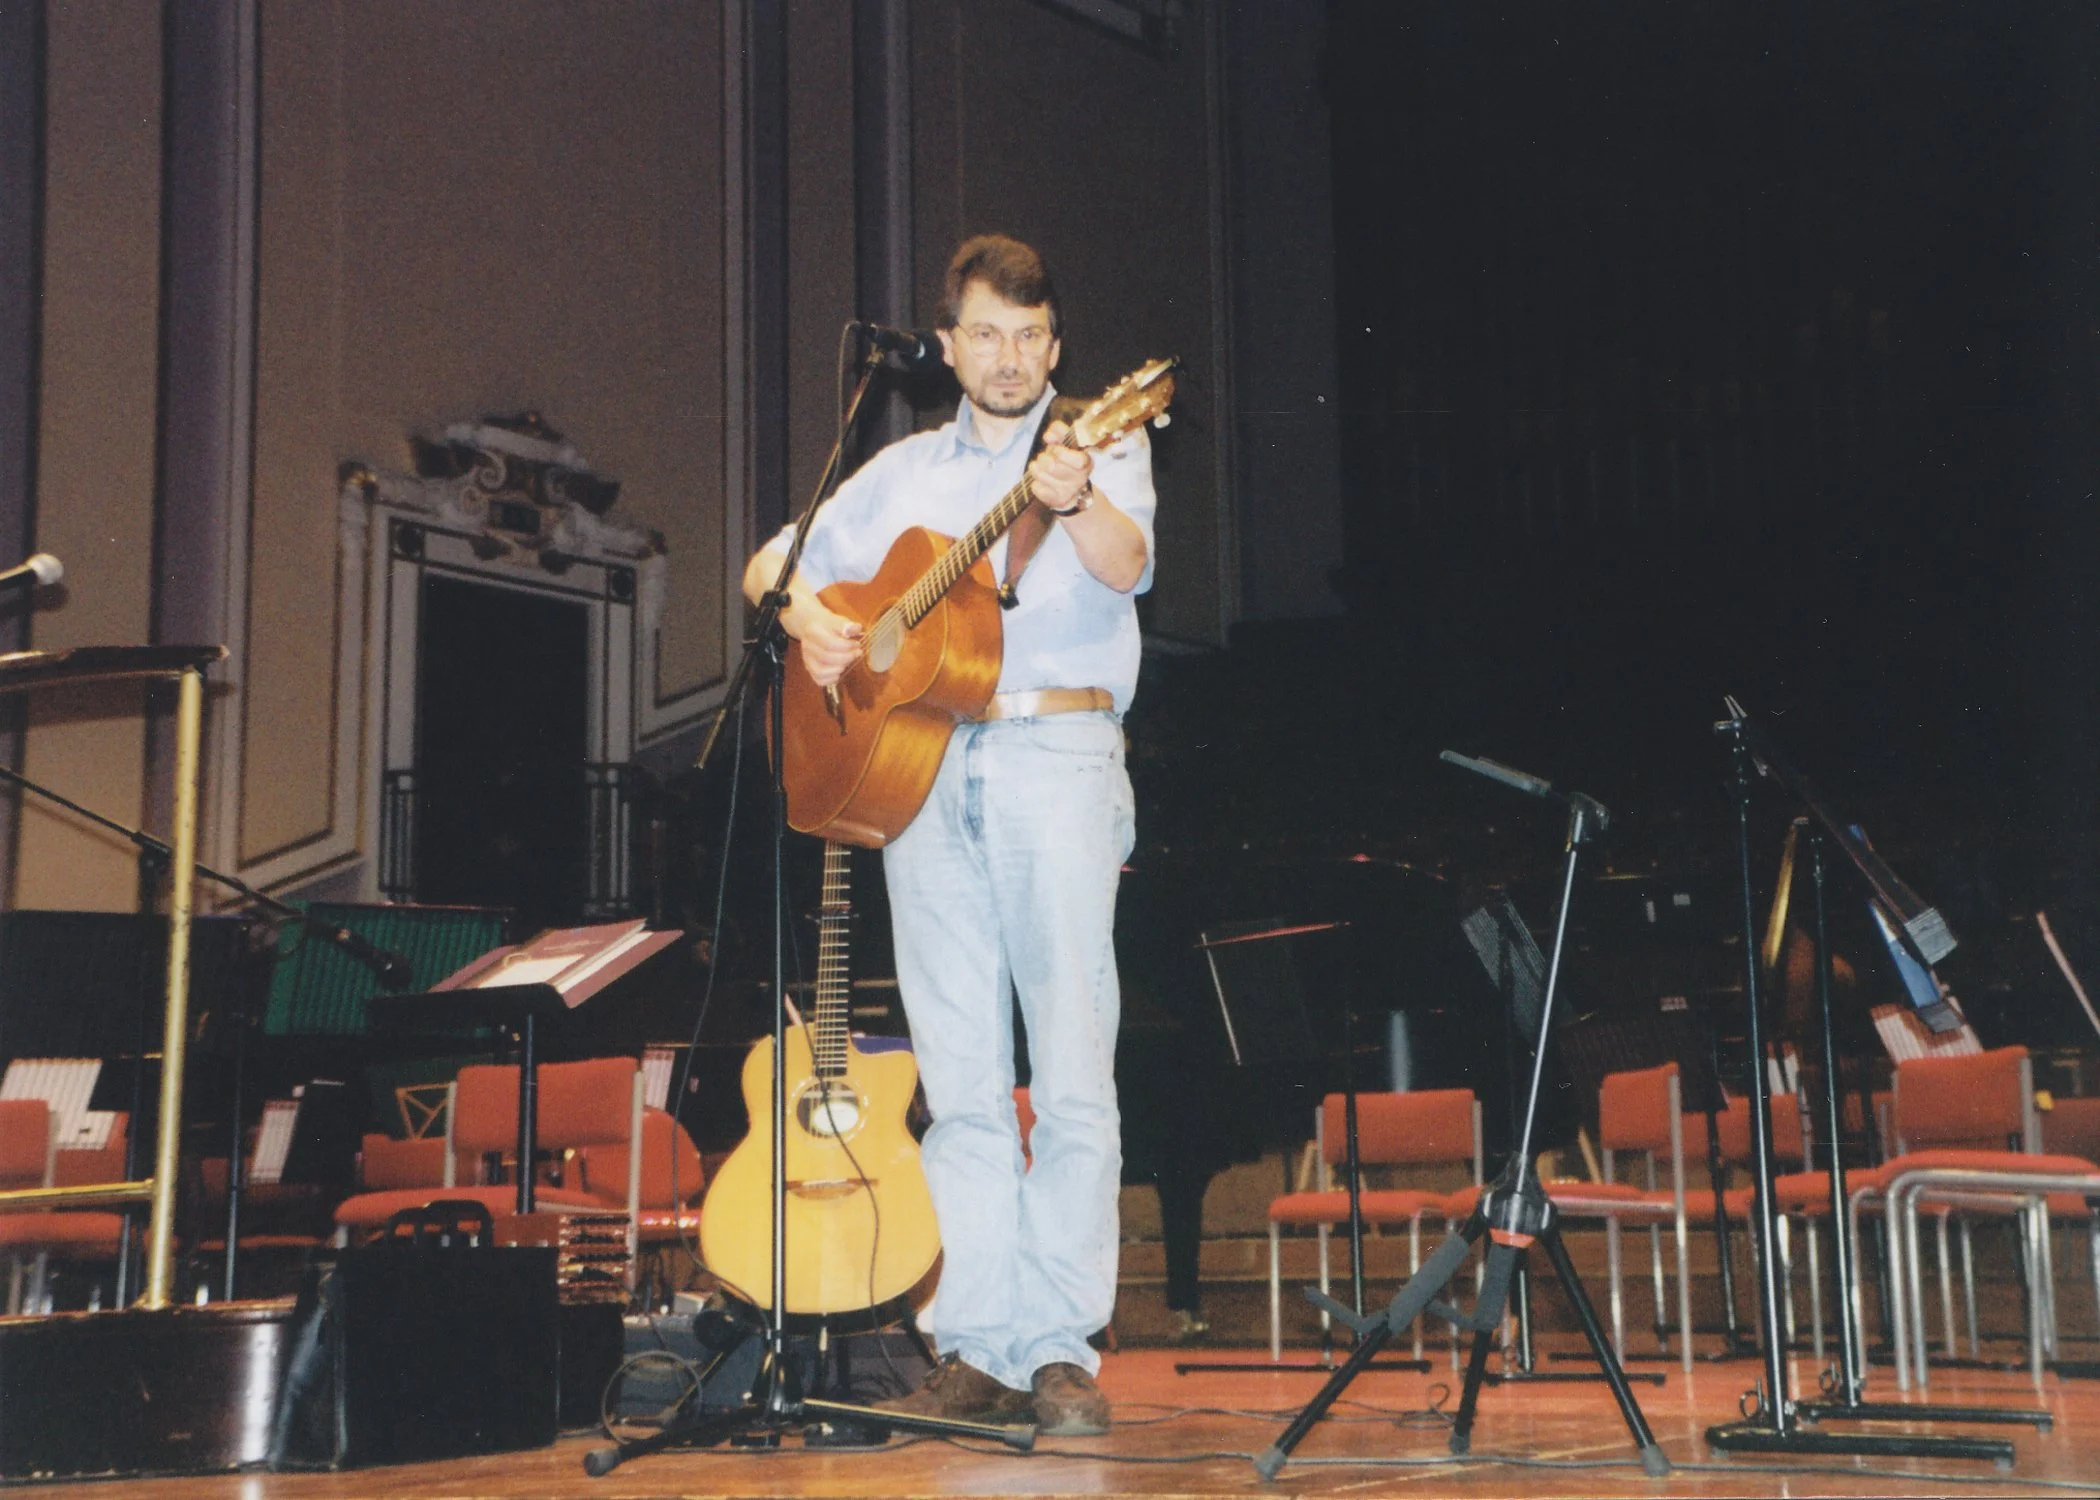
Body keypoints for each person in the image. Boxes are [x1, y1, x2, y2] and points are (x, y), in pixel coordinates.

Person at [740, 235, 1154, 1435]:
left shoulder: (1102, 438)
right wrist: (817, 617)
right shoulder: (900, 471)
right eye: (985, 334)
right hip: (918, 767)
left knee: (1071, 1068)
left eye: (1031, 337)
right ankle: (977, 1343)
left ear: (1058, 348)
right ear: (950, 346)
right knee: (963, 1080)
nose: (1011, 357)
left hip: (1056, 755)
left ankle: (1062, 1348)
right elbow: (773, 560)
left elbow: (1129, 563)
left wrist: (1074, 506)